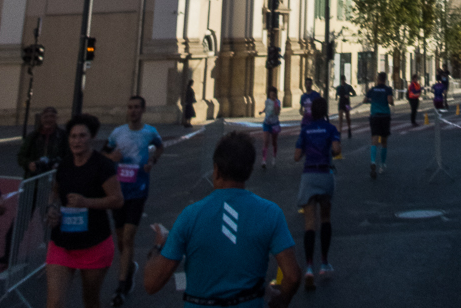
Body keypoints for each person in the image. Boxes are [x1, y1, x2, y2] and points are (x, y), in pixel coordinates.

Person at [144, 131, 300, 308]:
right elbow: (292, 276)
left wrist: (158, 247)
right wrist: (280, 302)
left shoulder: (190, 215)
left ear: (216, 170)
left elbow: (151, 283)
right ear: (248, 171)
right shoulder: (270, 212)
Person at [45, 113, 123, 308]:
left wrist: (86, 202)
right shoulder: (64, 165)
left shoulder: (102, 165)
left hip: (94, 244)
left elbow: (117, 200)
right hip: (62, 243)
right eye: (73, 136)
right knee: (54, 303)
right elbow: (54, 193)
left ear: (92, 137)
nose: (77, 140)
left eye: (82, 136)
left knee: (90, 301)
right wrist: (52, 209)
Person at [105, 95, 164, 307]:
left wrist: (153, 161)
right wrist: (111, 159)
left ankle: (121, 286)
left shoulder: (150, 132)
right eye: (130, 107)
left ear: (143, 110)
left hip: (139, 190)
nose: (133, 111)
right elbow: (105, 152)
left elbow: (160, 147)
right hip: (118, 191)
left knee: (128, 237)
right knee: (121, 240)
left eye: (137, 107)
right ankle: (129, 267)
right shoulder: (117, 133)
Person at [293, 97, 341, 288]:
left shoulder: (305, 130)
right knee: (326, 218)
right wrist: (328, 150)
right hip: (325, 174)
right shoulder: (331, 129)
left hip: (309, 175)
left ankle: (309, 268)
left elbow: (296, 156)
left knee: (309, 223)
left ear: (311, 111)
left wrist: (307, 150)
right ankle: (324, 262)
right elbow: (337, 150)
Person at [18, 107, 68, 175]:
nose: (48, 119)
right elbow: (21, 156)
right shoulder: (33, 136)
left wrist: (61, 164)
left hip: (56, 175)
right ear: (41, 119)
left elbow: (70, 155)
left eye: (52, 116)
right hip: (35, 176)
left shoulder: (63, 136)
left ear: (56, 118)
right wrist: (29, 164)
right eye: (46, 117)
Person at [365, 72, 394, 179]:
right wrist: (391, 102)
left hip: (374, 116)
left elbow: (365, 100)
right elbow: (390, 101)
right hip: (385, 116)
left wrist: (371, 100)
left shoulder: (372, 89)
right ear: (385, 79)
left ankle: (373, 161)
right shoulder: (387, 89)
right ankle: (382, 164)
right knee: (384, 142)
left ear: (378, 79)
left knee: (374, 139)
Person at [261, 86, 281, 169]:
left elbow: (277, 113)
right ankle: (264, 160)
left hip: (274, 124)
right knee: (266, 141)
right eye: (270, 94)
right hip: (266, 123)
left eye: (273, 94)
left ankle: (274, 158)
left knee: (274, 142)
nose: (272, 96)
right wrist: (262, 111)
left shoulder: (278, 102)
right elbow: (266, 109)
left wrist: (276, 104)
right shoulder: (267, 101)